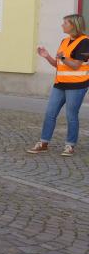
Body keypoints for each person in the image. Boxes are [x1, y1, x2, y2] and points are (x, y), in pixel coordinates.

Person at [27, 14, 89, 157]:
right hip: (60, 84)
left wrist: (62, 57)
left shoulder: (85, 42)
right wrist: (47, 56)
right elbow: (59, 64)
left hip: (77, 85)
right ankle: (43, 143)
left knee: (71, 115)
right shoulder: (64, 41)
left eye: (65, 23)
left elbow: (75, 65)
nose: (62, 25)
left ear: (73, 25)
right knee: (50, 113)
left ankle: (70, 145)